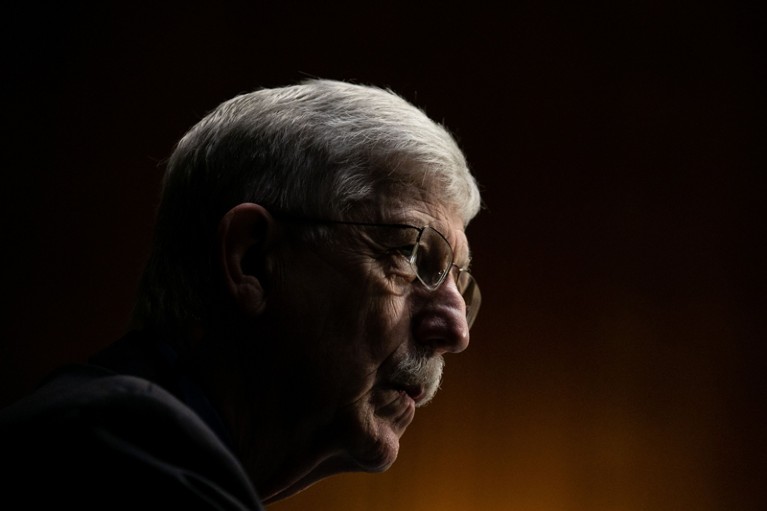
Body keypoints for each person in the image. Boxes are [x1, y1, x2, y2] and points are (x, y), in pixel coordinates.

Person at [0, 79, 482, 509]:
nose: (455, 331)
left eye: (459, 284)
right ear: (252, 258)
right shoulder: (117, 452)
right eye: (410, 256)